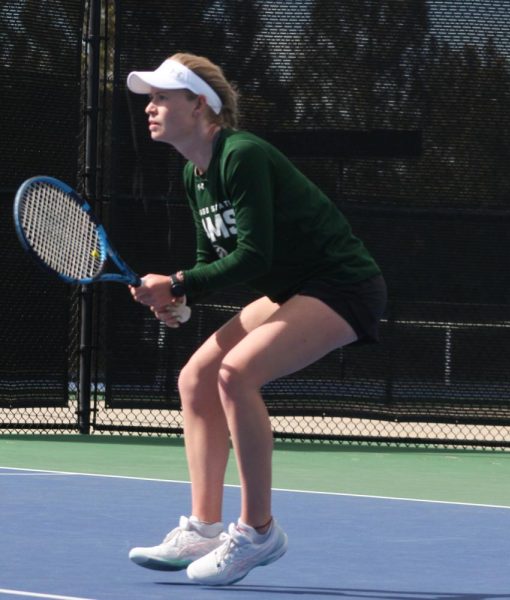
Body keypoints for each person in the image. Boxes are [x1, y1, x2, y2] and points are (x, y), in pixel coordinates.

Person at [124, 53, 386, 585]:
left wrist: (175, 283)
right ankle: (203, 526)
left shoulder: (241, 155)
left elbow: (255, 257)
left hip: (343, 284)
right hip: (294, 288)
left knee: (235, 373)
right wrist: (182, 299)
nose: (149, 108)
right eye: (148, 99)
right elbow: (208, 260)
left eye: (161, 98)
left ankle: (258, 531)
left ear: (199, 104)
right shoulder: (194, 175)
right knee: (195, 378)